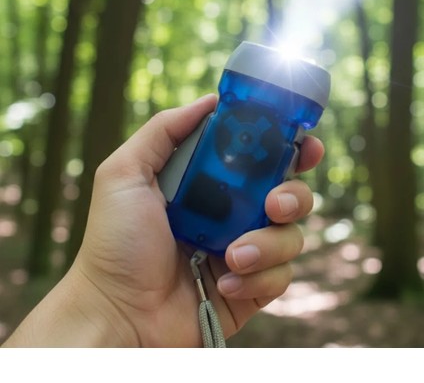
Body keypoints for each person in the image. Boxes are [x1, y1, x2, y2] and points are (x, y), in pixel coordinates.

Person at [2, 93, 324, 348]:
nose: (245, 138)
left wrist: (114, 312)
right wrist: (106, 299)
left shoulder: (233, 114)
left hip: (210, 276)